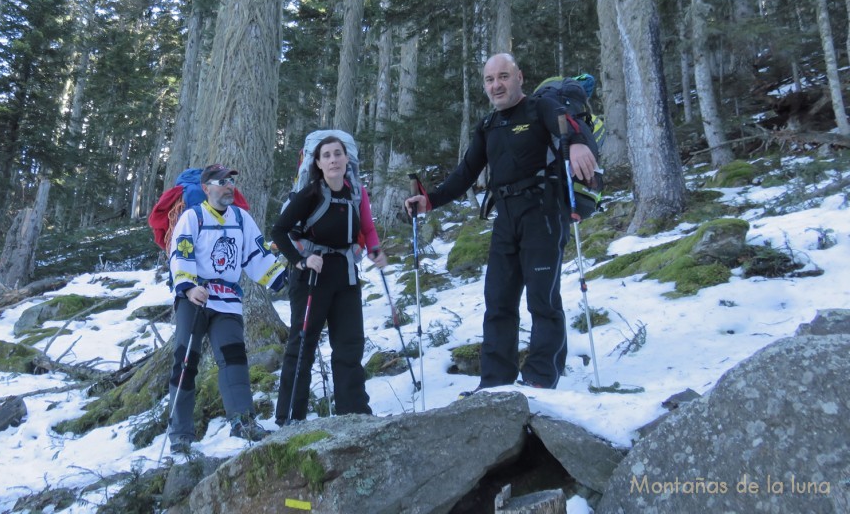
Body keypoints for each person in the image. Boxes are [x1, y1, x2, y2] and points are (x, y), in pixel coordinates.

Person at [404, 53, 597, 390]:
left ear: (519, 77)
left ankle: (540, 378)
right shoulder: (488, 125)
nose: (496, 85)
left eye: (503, 76)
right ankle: (494, 383)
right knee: (498, 301)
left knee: (543, 299)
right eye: (490, 80)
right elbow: (465, 173)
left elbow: (568, 125)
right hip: (506, 217)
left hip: (543, 212)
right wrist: (429, 200)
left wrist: (578, 145)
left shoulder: (541, 107)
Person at [166, 164, 287, 453]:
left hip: (228, 299)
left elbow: (256, 254)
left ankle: (242, 421)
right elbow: (180, 251)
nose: (228, 186)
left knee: (234, 357)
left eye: (231, 181)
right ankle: (181, 434)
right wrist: (188, 285)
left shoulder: (242, 219)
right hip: (195, 296)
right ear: (206, 188)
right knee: (185, 361)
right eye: (221, 182)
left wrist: (281, 278)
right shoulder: (192, 217)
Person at [271, 135, 387, 424]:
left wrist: (375, 250)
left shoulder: (356, 192)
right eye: (327, 155)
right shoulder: (310, 194)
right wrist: (300, 260)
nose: (334, 159)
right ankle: (290, 419)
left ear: (347, 160)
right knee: (302, 345)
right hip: (312, 276)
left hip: (346, 274)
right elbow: (279, 231)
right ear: (318, 163)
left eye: (338, 154)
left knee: (349, 344)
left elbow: (368, 228)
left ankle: (355, 414)